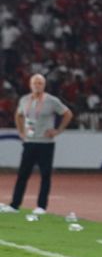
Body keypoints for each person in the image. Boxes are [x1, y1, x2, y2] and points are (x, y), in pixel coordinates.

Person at [1, 74, 73, 214]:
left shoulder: (52, 101)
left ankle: (41, 206)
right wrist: (21, 132)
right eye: (35, 83)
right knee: (23, 174)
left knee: (45, 175)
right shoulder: (24, 100)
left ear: (44, 85)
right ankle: (14, 205)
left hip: (45, 143)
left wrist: (58, 130)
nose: (37, 85)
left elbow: (67, 114)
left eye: (40, 83)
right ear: (30, 85)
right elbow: (18, 115)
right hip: (29, 142)